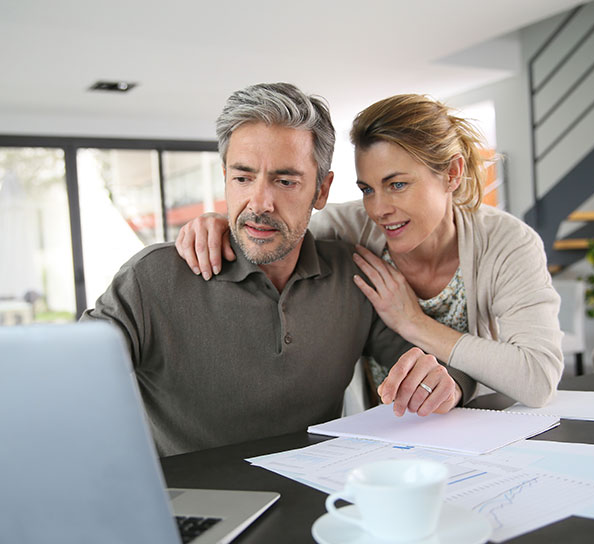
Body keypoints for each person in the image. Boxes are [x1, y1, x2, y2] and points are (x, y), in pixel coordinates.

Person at [82, 83, 475, 456]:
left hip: (315, 501)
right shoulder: (153, 279)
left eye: (285, 181)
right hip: (189, 509)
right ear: (225, 179)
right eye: (242, 177)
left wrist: (443, 384)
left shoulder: (351, 276)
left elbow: (435, 367)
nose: (259, 203)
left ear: (321, 190)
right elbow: (63, 379)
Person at [175, 93, 563, 408]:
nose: (378, 210)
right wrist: (220, 221)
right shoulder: (351, 230)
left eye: (397, 185)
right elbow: (276, 224)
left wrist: (414, 323)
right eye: (367, 189)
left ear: (452, 173)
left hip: (486, 428)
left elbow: (537, 379)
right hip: (387, 431)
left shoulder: (507, 244)